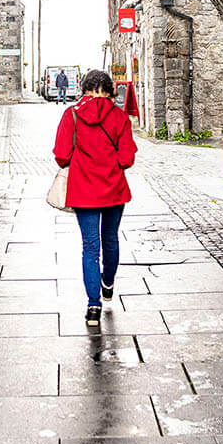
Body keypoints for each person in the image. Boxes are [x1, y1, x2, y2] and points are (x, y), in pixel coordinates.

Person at [53, 69, 138, 327]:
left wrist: (81, 163)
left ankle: (93, 306)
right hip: (113, 188)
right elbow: (127, 158)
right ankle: (107, 283)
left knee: (90, 247)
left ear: (84, 89)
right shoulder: (119, 117)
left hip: (83, 190)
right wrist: (111, 164)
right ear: (110, 91)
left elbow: (61, 155)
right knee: (110, 239)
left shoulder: (71, 115)